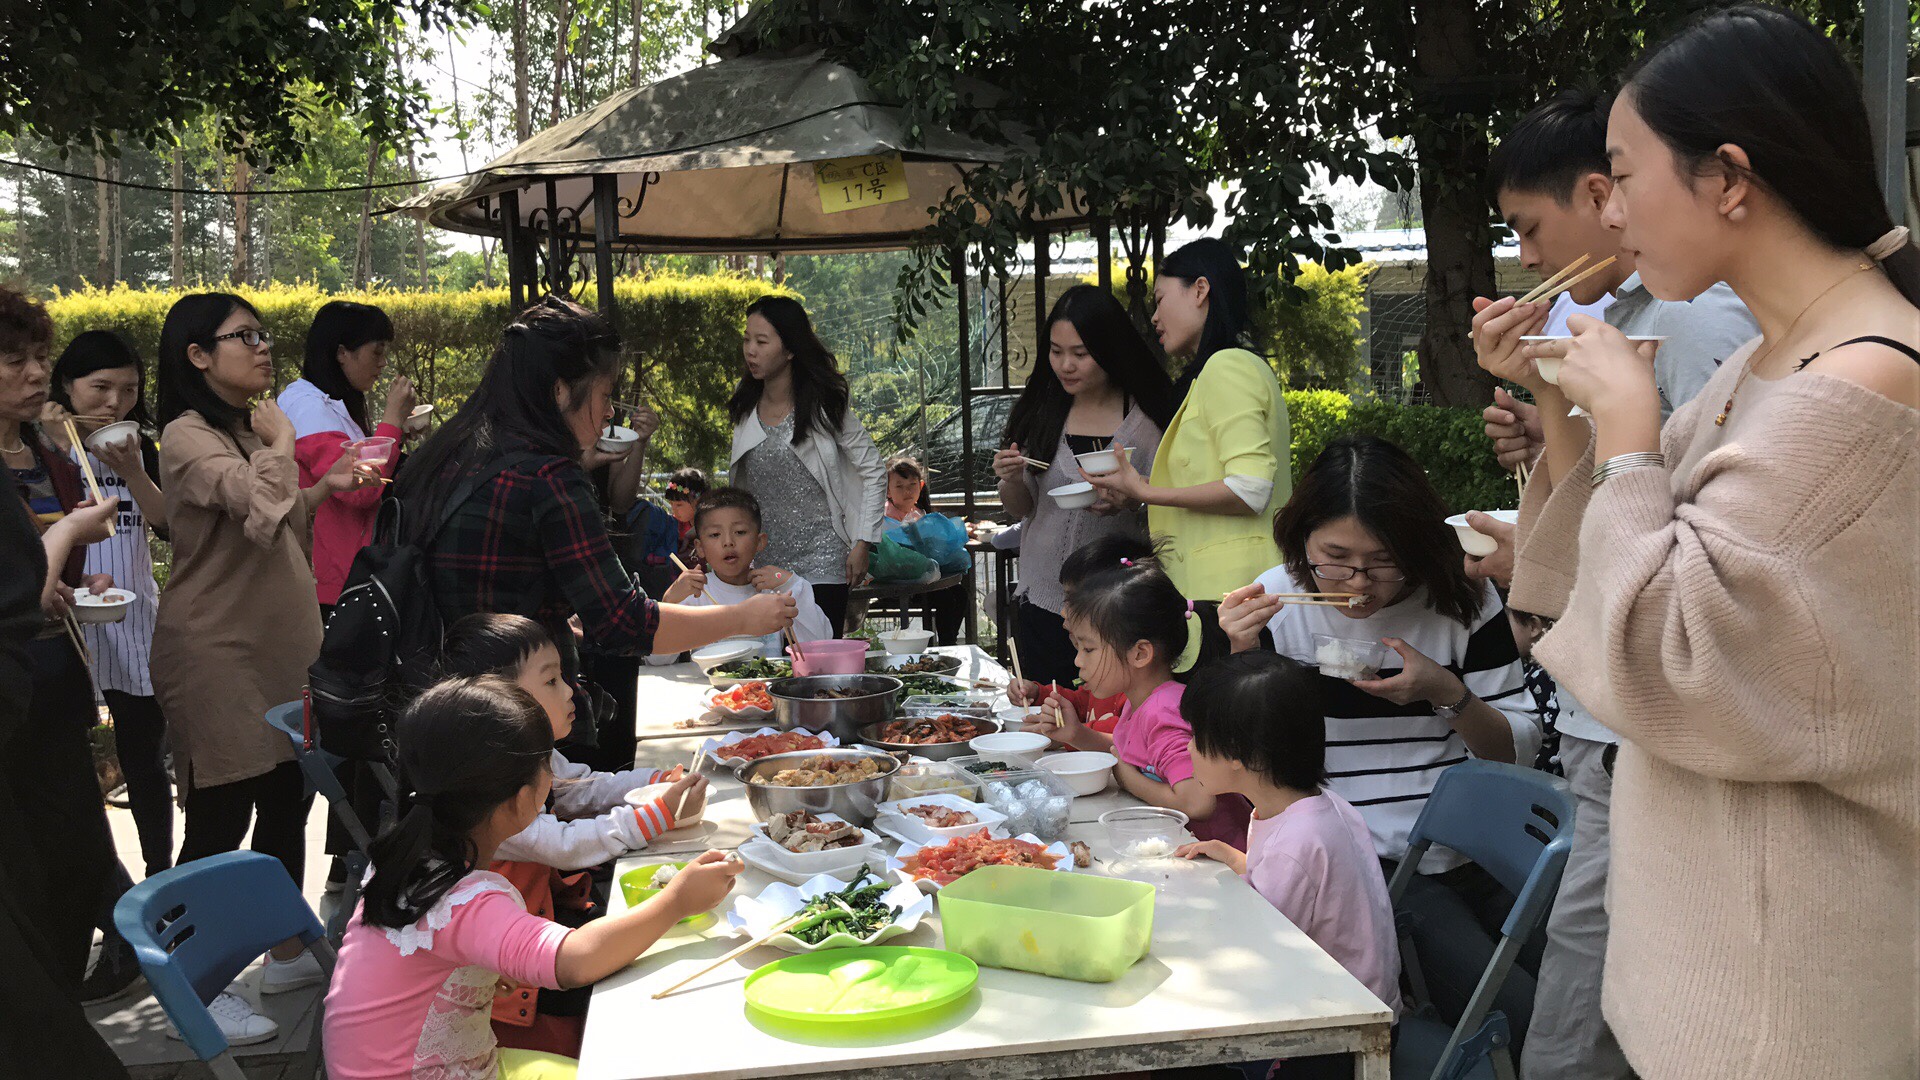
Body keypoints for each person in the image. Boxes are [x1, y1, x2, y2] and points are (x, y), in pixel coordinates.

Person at [1482, 8, 1919, 1077]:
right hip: (1724, 954)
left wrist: (1630, 432)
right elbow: (1578, 583)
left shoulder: (1864, 381)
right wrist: (1567, 401)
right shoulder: (1767, 361)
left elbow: (1664, 660)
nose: (1610, 210)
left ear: (1727, 178)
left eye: (1625, 177)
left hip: (1786, 989)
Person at [1481, 86, 1764, 1080]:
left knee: (1578, 1034)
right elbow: (1596, 509)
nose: (1528, 258)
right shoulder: (1625, 322)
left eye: (1530, 228)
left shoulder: (1691, 324)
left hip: (1643, 721)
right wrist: (1546, 399)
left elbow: (1661, 543)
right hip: (1614, 716)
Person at [1217, 434, 1540, 1047]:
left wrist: (1447, 692)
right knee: (1518, 1015)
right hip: (1356, 857)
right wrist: (1242, 654)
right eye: (1335, 557)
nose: (1359, 582)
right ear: (1302, 540)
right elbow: (1249, 764)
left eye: (1384, 560)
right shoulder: (1277, 604)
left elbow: (1517, 750)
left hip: (1470, 846)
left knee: (1565, 987)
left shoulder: (1464, 602)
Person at [392, 296, 796, 725]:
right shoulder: (548, 476)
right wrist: (742, 617)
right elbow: (623, 622)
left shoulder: (447, 453)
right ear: (560, 390)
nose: (609, 412)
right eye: (605, 394)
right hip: (509, 720)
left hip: (430, 710)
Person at [324, 676, 742, 1078]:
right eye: (548, 764)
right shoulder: (464, 901)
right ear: (524, 799)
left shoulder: (406, 860)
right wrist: (677, 901)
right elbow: (575, 960)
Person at [152, 292, 373, 1037]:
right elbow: (258, 503)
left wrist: (321, 488)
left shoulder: (246, 429)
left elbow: (278, 522)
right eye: (243, 336)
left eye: (262, 333)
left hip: (278, 652)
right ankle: (192, 983)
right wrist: (283, 443)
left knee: (285, 798)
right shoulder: (186, 436)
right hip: (217, 653)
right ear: (197, 355)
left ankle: (284, 952)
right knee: (221, 815)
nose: (262, 346)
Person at [0, 287, 130, 1077]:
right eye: (13, 360)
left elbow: (40, 587)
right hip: (11, 700)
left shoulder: (46, 456)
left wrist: (76, 576)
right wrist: (69, 535)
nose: (32, 374)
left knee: (75, 852)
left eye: (38, 359)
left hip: (50, 681)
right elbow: (18, 590)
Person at [1175, 651, 1402, 1020]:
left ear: (1238, 754)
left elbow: (1261, 945)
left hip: (1343, 1021)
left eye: (1198, 738)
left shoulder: (1294, 844)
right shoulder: (1322, 805)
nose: (1188, 748)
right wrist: (1236, 859)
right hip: (1367, 999)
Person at [1081, 239, 1288, 600]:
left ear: (1200, 290)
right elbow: (1215, 485)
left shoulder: (1228, 366)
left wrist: (1146, 491)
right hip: (1222, 594)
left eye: (1160, 299)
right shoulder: (1218, 370)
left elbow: (1250, 488)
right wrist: (1137, 494)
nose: (1155, 317)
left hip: (1233, 594)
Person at [995, 285, 1176, 681]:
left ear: (1109, 349)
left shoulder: (1149, 421)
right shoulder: (1042, 411)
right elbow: (1021, 507)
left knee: (1108, 710)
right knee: (1046, 704)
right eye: (1056, 351)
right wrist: (1010, 479)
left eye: (1080, 354)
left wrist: (1132, 501)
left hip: (1116, 607)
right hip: (1044, 598)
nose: (1066, 365)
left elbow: (1170, 504)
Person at [48, 330, 174, 883]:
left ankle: (158, 873)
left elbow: (168, 526)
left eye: (128, 390)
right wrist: (57, 446)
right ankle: (98, 882)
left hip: (131, 616)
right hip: (63, 616)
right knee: (70, 759)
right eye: (100, 388)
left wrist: (133, 471)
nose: (114, 403)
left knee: (143, 755)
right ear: (66, 385)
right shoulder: (38, 446)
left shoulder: (137, 446)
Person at [443, 613, 706, 868]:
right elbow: (560, 846)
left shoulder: (531, 750)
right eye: (551, 681)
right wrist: (658, 815)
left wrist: (654, 781)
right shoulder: (486, 783)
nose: (569, 690)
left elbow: (580, 787)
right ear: (500, 698)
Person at [1027, 553, 1252, 848]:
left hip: (1221, 859)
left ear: (1140, 653)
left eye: (1089, 649)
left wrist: (1130, 780)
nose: (1078, 661)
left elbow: (1198, 802)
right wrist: (1076, 734)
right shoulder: (1144, 701)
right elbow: (1132, 753)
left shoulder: (1163, 711)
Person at [727, 295, 886, 637]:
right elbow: (740, 486)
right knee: (768, 661)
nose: (750, 350)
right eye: (746, 340)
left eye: (761, 342)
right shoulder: (744, 403)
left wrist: (863, 543)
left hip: (823, 562)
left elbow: (874, 470)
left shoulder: (824, 403)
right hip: (764, 563)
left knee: (818, 659)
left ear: (790, 349)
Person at [278, 299, 417, 614]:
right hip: (332, 586)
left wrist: (396, 434)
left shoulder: (325, 403)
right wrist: (392, 422)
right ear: (342, 353)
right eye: (376, 352)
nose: (383, 363)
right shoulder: (308, 408)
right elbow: (361, 488)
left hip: (340, 577)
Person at [648, 487, 833, 664]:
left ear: (759, 541)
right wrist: (669, 602)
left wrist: (792, 584)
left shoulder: (774, 591)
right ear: (700, 547)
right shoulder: (695, 593)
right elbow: (657, 660)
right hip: (707, 686)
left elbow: (820, 646)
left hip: (765, 686)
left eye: (740, 532)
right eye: (715, 534)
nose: (728, 542)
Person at [875, 454, 967, 645]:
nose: (907, 491)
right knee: (945, 598)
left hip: (922, 577)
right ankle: (946, 645)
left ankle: (948, 643)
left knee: (960, 593)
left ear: (921, 486)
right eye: (899, 486)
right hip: (895, 581)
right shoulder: (882, 518)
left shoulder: (921, 514)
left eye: (912, 485)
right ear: (887, 491)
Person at [623, 466, 707, 599]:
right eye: (671, 504)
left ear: (697, 500)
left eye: (679, 505)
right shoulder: (670, 527)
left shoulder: (711, 527)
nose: (674, 510)